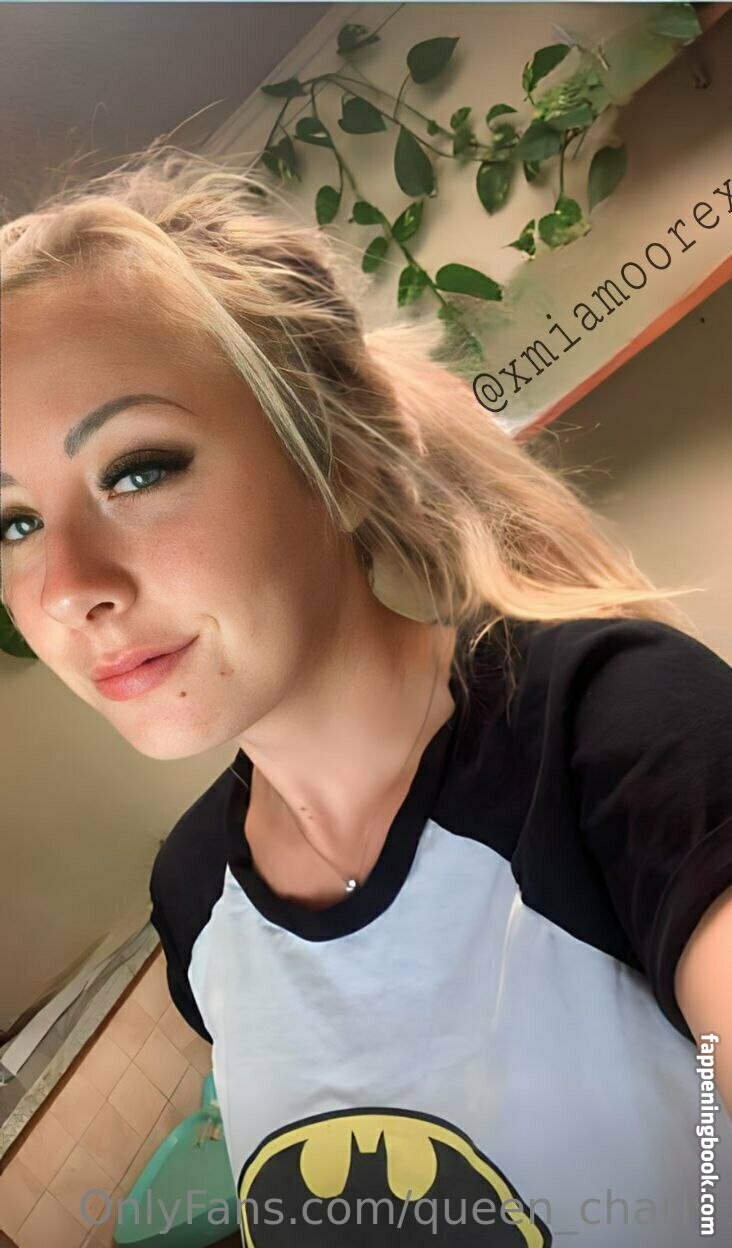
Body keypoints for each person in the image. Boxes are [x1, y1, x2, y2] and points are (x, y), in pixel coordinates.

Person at [1, 139, 730, 1248]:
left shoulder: (613, 731)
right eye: (12, 523)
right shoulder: (195, 893)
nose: (65, 589)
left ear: (334, 459)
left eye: (139, 469)